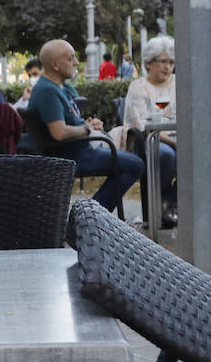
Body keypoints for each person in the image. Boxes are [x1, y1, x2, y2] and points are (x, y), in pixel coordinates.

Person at [29, 39, 144, 214]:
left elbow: (69, 122)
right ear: (55, 64)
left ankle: (91, 215)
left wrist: (87, 124)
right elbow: (59, 132)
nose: (75, 63)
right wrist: (86, 129)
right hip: (70, 155)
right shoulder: (47, 91)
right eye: (70, 58)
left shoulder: (60, 88)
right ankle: (89, 217)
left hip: (77, 149)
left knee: (132, 163)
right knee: (134, 165)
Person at [121, 36, 178, 227]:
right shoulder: (138, 87)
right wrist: (176, 142)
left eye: (171, 62)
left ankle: (171, 203)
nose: (167, 67)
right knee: (166, 155)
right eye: (163, 62)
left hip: (177, 138)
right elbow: (143, 125)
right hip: (145, 141)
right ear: (148, 63)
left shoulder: (179, 84)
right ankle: (165, 205)